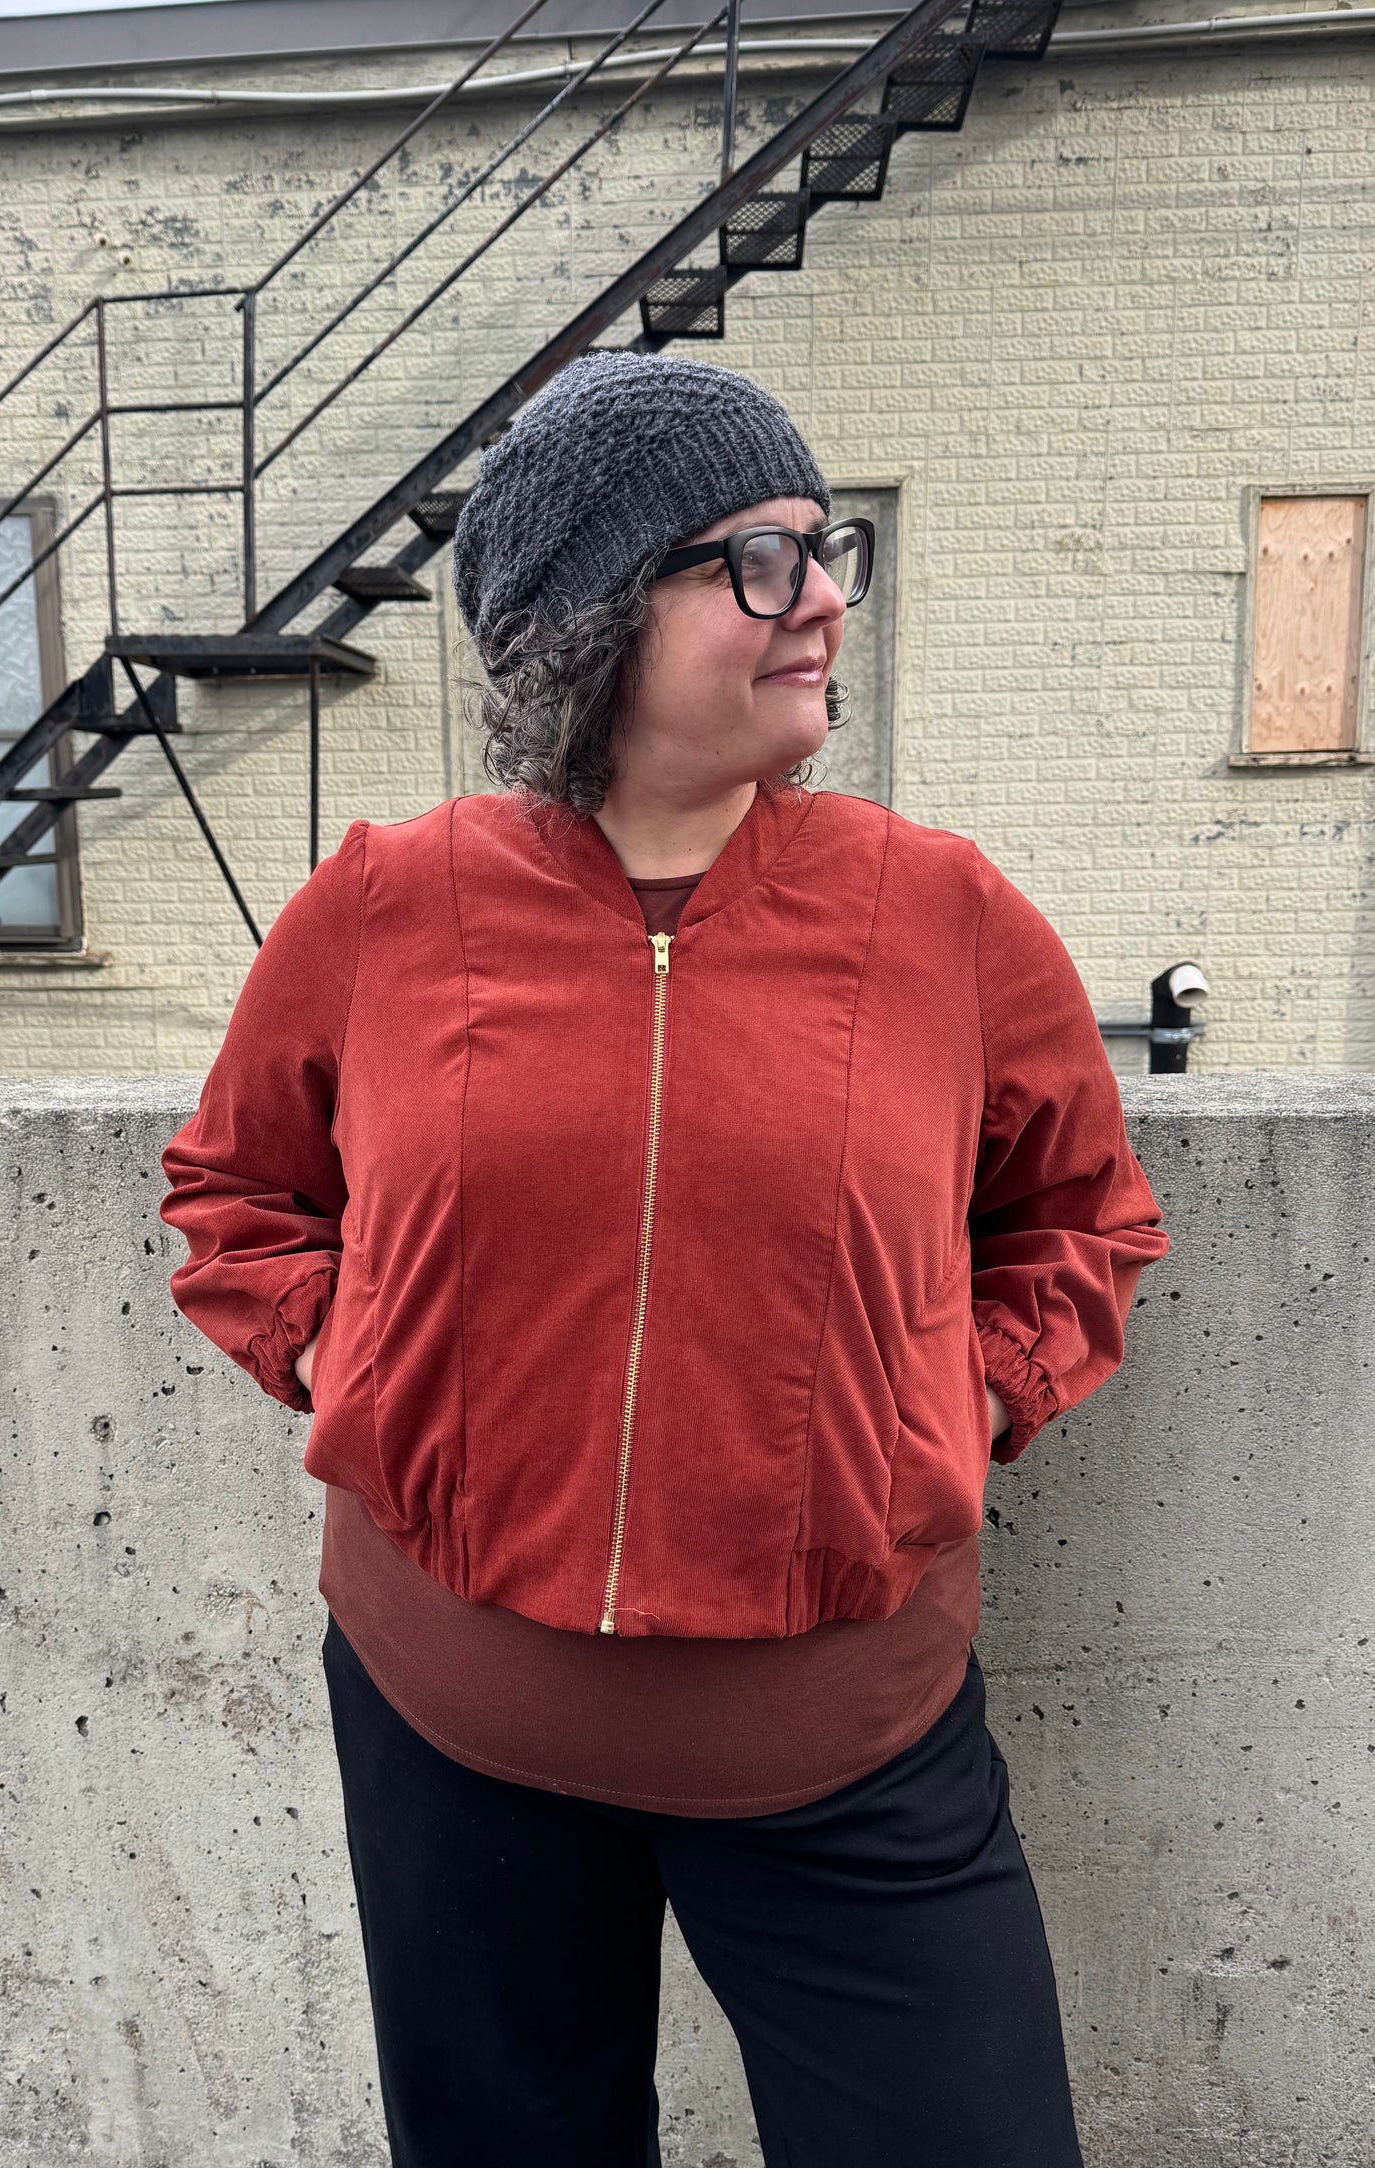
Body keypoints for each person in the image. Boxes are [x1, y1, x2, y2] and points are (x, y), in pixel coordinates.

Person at [159, 349, 1170, 2168]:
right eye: (759, 559)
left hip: (847, 1748)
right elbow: (236, 1193)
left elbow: (1080, 1217)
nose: (823, 602)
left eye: (827, 547)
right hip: (449, 1729)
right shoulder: (387, 901)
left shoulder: (940, 913)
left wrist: (946, 1409)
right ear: (597, 618)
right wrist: (366, 1373)